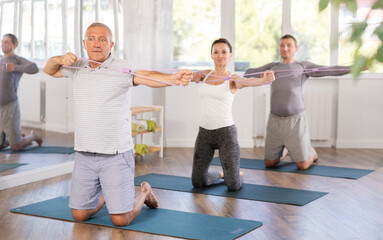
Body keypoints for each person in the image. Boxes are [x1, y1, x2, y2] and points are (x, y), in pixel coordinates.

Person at [43, 22, 192, 226]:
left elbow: (147, 76)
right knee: (79, 215)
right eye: (92, 38)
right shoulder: (76, 66)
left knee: (120, 220)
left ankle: (144, 191)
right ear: (84, 43)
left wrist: (172, 78)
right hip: (85, 154)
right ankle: (110, 193)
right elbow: (49, 69)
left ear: (111, 44)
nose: (97, 44)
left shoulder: (122, 67)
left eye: (102, 39)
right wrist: (59, 58)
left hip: (115, 155)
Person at [245, 34, 353, 170]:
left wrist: (354, 68)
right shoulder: (272, 67)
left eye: (289, 45)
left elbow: (328, 70)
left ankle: (311, 152)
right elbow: (248, 73)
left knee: (302, 165)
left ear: (296, 48)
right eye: (282, 45)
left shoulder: (302, 66)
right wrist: (262, 75)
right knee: (269, 164)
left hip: (296, 121)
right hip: (274, 121)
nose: (285, 48)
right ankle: (285, 150)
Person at [191, 38, 275, 191]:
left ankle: (233, 175)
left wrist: (264, 80)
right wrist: (191, 76)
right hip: (204, 133)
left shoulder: (233, 78)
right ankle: (221, 174)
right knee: (198, 181)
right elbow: (188, 77)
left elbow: (248, 82)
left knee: (233, 185)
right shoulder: (205, 74)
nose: (220, 55)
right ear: (211, 55)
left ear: (230, 55)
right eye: (216, 52)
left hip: (226, 134)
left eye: (224, 52)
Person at [0, 33, 42, 151]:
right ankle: (17, 136)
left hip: (9, 105)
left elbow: (34, 68)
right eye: (2, 41)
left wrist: (15, 68)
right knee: (0, 146)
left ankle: (34, 136)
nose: (3, 44)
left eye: (6, 42)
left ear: (14, 44)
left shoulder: (17, 60)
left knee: (15, 147)